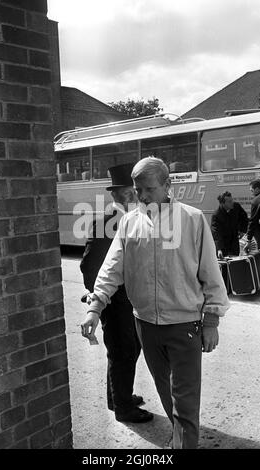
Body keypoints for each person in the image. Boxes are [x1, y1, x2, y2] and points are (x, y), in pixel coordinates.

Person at [81, 157, 230, 449]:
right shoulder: (128, 221)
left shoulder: (191, 219)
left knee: (185, 402)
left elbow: (211, 273)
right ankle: (180, 437)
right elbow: (112, 269)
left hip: (185, 325)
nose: (142, 196)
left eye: (149, 189)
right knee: (166, 393)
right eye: (138, 190)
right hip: (145, 326)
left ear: (167, 185)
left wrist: (211, 321)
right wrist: (95, 307)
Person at [80, 162, 153, 423]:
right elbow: (89, 265)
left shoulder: (136, 219)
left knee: (129, 350)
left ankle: (118, 397)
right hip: (114, 302)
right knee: (122, 352)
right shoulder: (107, 222)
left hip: (129, 300)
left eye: (134, 191)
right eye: (129, 192)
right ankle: (123, 408)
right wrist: (100, 299)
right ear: (118, 196)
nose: (135, 196)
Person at [211, 191, 248, 258]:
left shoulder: (236, 207)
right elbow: (216, 233)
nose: (232, 203)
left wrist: (242, 230)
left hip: (234, 242)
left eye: (232, 200)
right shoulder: (216, 215)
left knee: (235, 262)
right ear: (222, 203)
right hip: (224, 245)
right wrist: (219, 249)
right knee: (225, 265)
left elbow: (244, 217)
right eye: (229, 202)